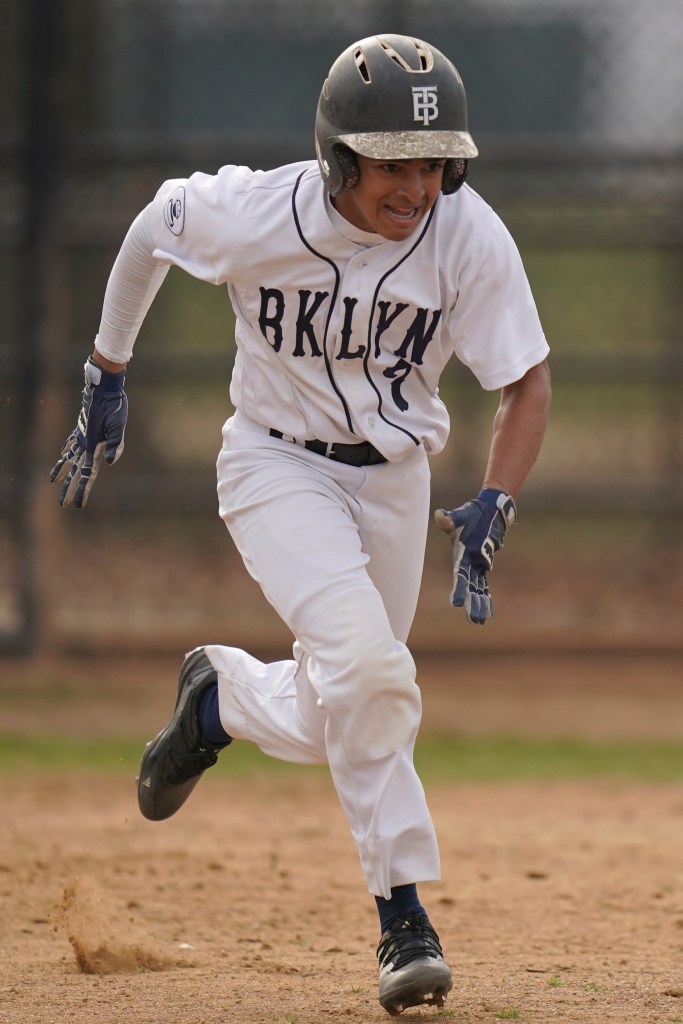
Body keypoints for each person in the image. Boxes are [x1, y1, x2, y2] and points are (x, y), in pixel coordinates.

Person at [49, 34, 551, 1016]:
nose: (416, 186)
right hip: (274, 465)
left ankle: (220, 702)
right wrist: (107, 366)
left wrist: (498, 495)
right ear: (337, 158)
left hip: (394, 481)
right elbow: (154, 227)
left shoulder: (465, 234)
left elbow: (524, 377)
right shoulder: (257, 213)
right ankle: (404, 917)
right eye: (392, 164)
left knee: (344, 705)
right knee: (371, 674)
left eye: (432, 163)